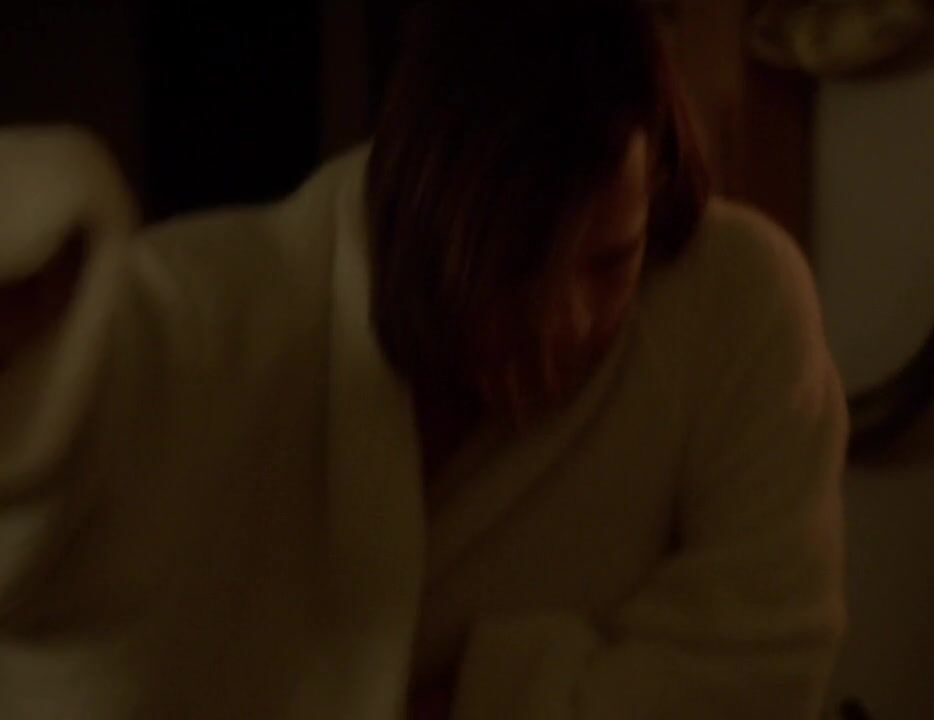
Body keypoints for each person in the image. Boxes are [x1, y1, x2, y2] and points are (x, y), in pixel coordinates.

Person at [0, 1, 849, 717]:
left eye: (608, 261)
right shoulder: (244, 309)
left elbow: (762, 658)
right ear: (417, 213)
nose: (564, 323)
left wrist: (475, 698)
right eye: (516, 266)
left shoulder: (733, 302)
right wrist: (42, 341)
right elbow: (101, 400)